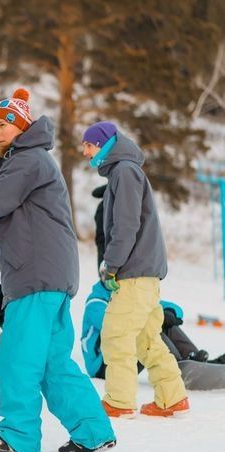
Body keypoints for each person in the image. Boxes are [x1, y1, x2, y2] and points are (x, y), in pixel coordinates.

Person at [0, 88, 116, 452]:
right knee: (53, 361)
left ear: (23, 126)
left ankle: (19, 436)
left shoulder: (26, 161)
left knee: (19, 358)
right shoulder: (34, 162)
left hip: (36, 277)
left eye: (5, 124)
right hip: (49, 275)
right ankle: (92, 430)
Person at [82, 120, 188, 417]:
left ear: (104, 144)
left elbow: (126, 225)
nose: (85, 151)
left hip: (134, 271)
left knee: (115, 334)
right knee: (146, 338)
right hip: (144, 272)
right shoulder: (126, 170)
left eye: (89, 145)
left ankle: (118, 401)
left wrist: (111, 265)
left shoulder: (124, 172)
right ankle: (173, 397)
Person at [81, 281, 225, 390]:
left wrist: (168, 313)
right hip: (104, 366)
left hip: (126, 357)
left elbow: (174, 308)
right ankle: (177, 365)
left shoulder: (128, 296)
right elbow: (115, 324)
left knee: (160, 320)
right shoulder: (96, 301)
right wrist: (154, 315)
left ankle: (192, 359)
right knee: (147, 325)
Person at [92, 184, 107, 267]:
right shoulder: (104, 205)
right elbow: (94, 193)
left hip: (104, 242)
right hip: (102, 242)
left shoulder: (103, 205)